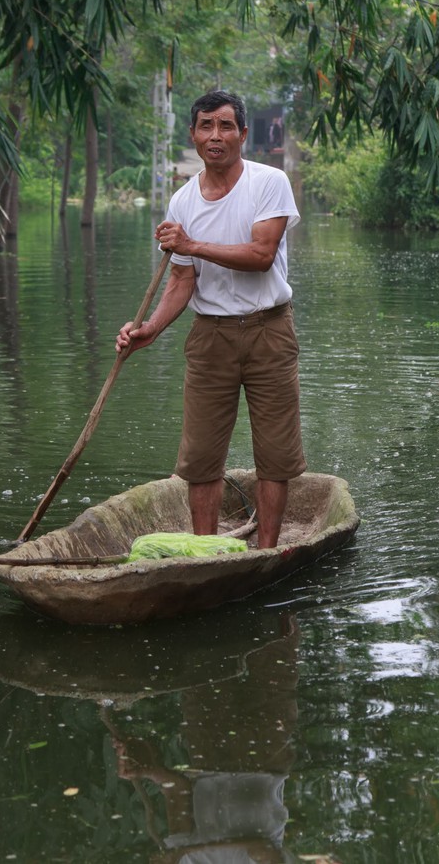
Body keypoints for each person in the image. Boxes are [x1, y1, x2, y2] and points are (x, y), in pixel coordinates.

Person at [115, 89, 303, 548]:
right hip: (210, 337)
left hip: (269, 331)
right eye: (205, 126)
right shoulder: (182, 203)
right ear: (194, 136)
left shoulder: (269, 182)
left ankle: (267, 552)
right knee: (200, 457)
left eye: (224, 126)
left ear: (242, 134)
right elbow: (181, 282)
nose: (214, 135)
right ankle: (205, 553)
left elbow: (261, 255)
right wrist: (150, 330)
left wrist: (192, 245)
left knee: (275, 455)